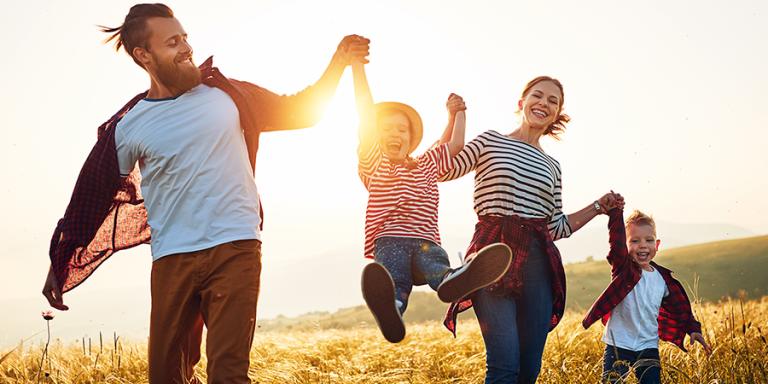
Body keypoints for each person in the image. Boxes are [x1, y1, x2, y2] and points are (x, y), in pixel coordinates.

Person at [41, 4, 369, 383]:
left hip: (235, 247)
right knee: (167, 376)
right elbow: (91, 197)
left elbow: (302, 111)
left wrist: (339, 62)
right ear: (144, 55)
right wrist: (59, 262)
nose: (186, 47)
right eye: (172, 42)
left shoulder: (228, 95)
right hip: (171, 259)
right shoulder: (129, 126)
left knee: (228, 373)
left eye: (185, 37)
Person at [440, 76, 621, 383]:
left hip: (538, 262)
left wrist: (598, 206)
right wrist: (455, 117)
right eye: (538, 96)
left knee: (528, 370)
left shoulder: (553, 167)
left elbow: (556, 227)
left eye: (553, 101)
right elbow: (445, 167)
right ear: (521, 103)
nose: (544, 103)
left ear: (557, 114)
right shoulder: (490, 141)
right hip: (492, 257)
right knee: (504, 366)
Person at [351, 60, 512, 343]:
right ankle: (393, 311)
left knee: (437, 268)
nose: (394, 134)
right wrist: (357, 69)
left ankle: (453, 280)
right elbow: (365, 112)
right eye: (386, 129)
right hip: (390, 240)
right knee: (394, 282)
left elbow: (454, 144)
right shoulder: (374, 163)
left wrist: (458, 114)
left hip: (427, 242)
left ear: (412, 139)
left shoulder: (426, 164)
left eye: (401, 130)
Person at [583, 207, 712, 383]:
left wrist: (693, 329)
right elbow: (616, 241)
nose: (643, 245)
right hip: (618, 344)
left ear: (657, 245)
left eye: (649, 240)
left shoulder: (662, 279)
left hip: (648, 345)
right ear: (625, 245)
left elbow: (680, 308)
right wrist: (615, 212)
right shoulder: (623, 269)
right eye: (635, 241)